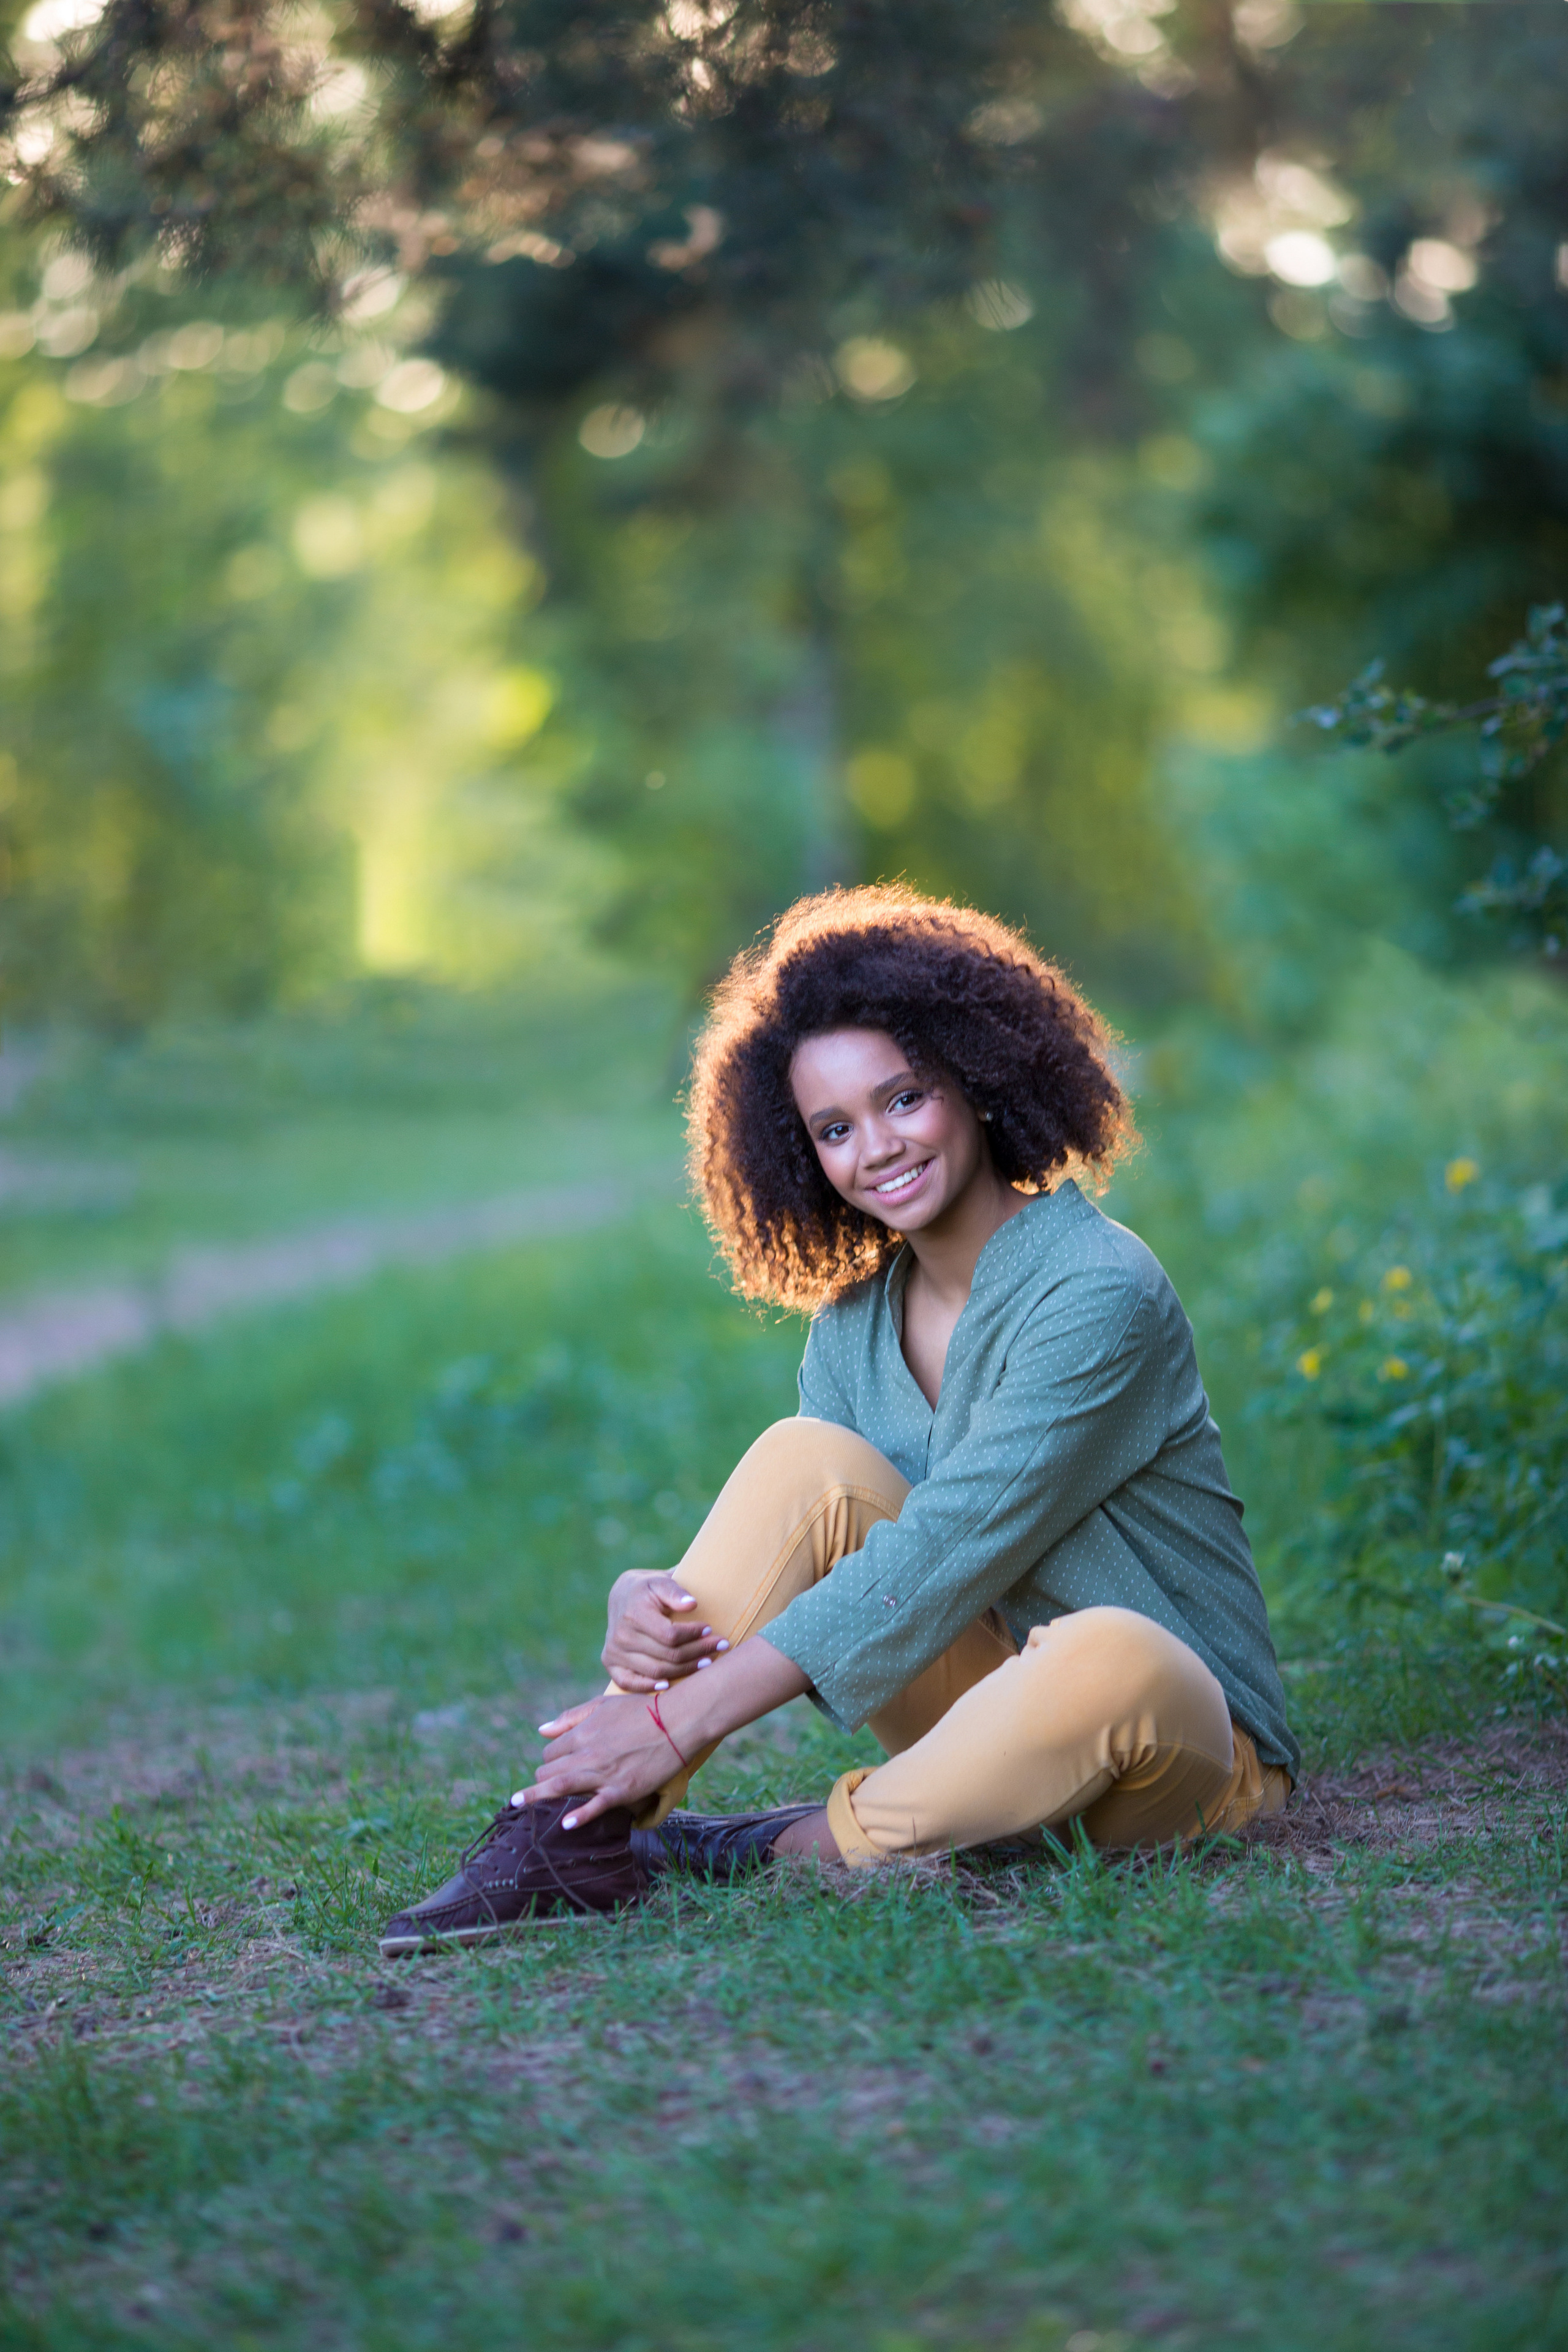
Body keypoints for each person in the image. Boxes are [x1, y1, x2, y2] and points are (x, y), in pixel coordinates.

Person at [379, 886, 1297, 1955]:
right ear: (799, 1153)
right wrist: (652, 1610)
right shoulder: (853, 1333)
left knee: (1110, 1652)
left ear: (978, 1078)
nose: (877, 1149)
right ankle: (579, 1829)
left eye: (903, 1098)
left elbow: (945, 1551)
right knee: (802, 1456)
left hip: (1178, 1751)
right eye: (834, 1129)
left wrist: (682, 1715)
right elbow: (814, 1564)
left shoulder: (1096, 1291)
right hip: (986, 1727)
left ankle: (792, 1848)